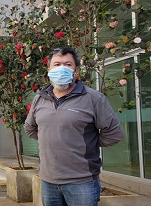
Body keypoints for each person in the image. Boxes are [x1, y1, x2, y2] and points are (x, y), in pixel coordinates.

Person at [24, 47, 124, 206]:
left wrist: (86, 142)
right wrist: (54, 137)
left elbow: (114, 133)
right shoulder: (40, 99)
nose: (61, 68)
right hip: (48, 181)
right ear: (49, 69)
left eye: (67, 64)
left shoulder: (93, 98)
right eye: (56, 64)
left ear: (76, 69)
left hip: (82, 182)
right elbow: (30, 128)